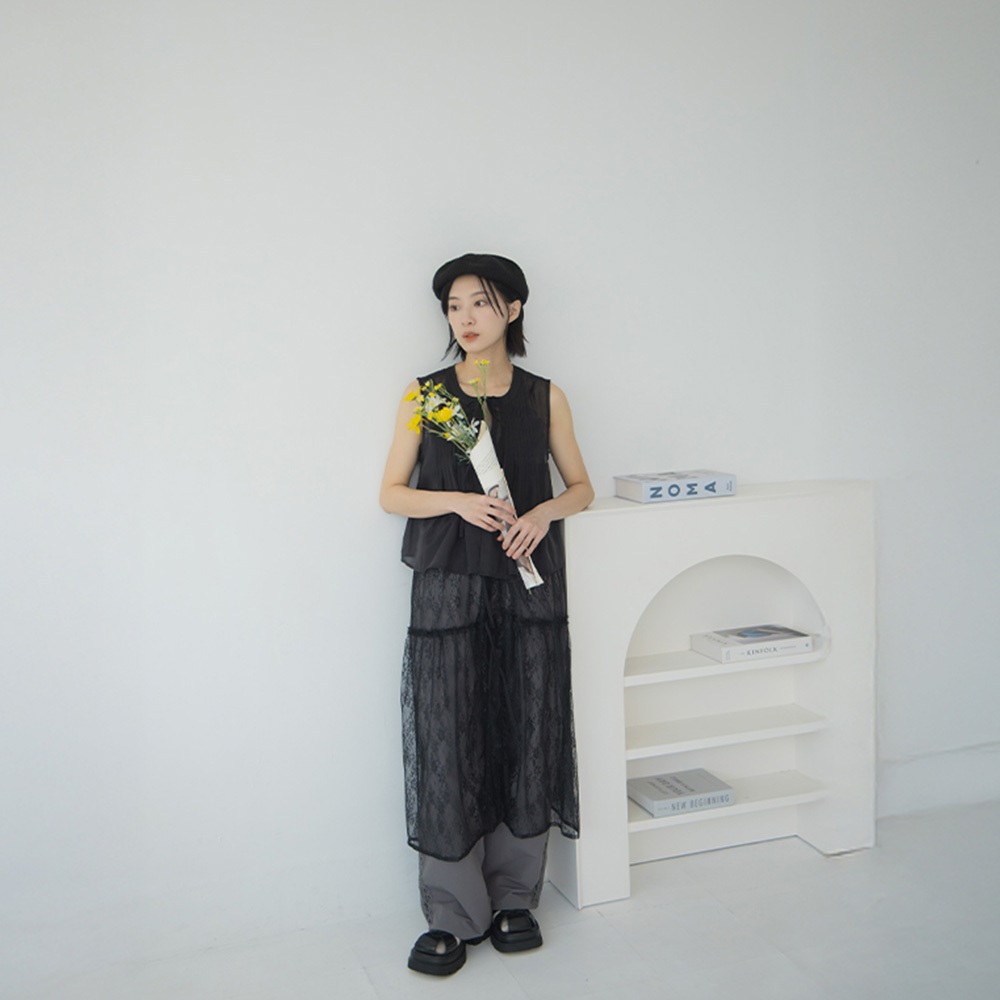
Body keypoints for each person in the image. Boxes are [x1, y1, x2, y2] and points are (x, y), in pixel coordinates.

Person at [379, 252, 594, 976]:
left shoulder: (544, 397)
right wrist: (459, 501)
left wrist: (541, 513)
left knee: (527, 729)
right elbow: (391, 492)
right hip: (449, 585)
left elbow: (582, 487)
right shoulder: (425, 397)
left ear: (514, 309)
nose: (465, 318)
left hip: (528, 584)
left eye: (480, 303)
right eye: (454, 306)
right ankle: (452, 912)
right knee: (449, 735)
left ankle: (514, 899)